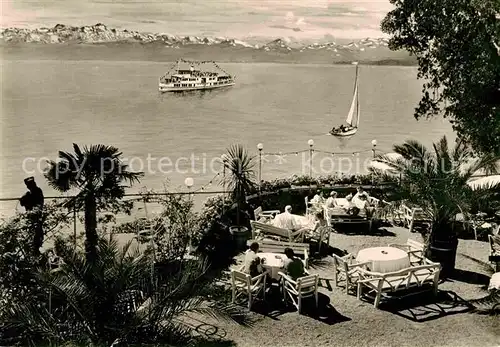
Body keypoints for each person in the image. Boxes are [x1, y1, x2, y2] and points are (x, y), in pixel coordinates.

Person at [20, 177, 44, 255]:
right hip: (34, 216)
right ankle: (35, 249)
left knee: (36, 232)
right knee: (36, 232)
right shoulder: (30, 194)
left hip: (36, 215)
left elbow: (38, 202)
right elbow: (22, 202)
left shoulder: (36, 192)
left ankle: (35, 249)